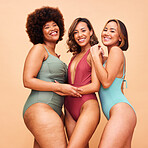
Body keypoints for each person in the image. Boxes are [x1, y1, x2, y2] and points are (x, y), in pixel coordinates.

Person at [23, 6, 82, 148]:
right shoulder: (39, 48)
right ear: (39, 31)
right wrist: (59, 86)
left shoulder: (54, 55)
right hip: (40, 108)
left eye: (55, 25)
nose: (52, 28)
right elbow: (27, 80)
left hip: (54, 112)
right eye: (46, 26)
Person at [90, 19, 137, 148]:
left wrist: (94, 56)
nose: (106, 33)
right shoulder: (107, 59)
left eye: (112, 31)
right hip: (123, 113)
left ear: (120, 38)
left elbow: (105, 82)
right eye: (105, 29)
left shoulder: (116, 51)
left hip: (121, 112)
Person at [64, 17, 100, 148]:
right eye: (75, 32)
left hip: (87, 105)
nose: (80, 35)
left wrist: (67, 90)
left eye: (83, 30)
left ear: (91, 32)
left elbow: (95, 85)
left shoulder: (95, 53)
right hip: (68, 107)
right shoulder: (75, 56)